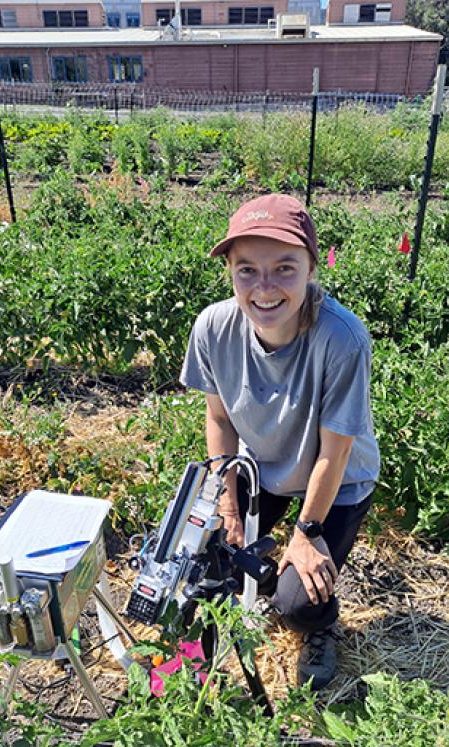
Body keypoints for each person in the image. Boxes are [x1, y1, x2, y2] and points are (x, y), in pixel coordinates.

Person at [181, 193, 380, 691]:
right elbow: (219, 419)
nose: (264, 288)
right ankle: (189, 665)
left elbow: (333, 454)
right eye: (246, 269)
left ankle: (320, 627)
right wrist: (227, 501)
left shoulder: (341, 339)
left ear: (312, 267)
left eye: (284, 268)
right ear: (229, 269)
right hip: (261, 468)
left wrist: (306, 533)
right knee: (203, 563)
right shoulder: (214, 327)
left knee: (294, 600)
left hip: (337, 480)